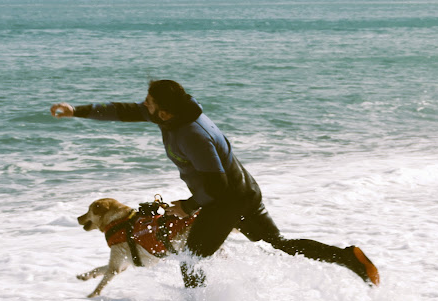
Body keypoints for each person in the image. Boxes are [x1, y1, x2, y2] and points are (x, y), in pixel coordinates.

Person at [51, 80, 379, 288]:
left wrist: (188, 206)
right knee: (276, 244)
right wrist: (76, 111)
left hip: (227, 199)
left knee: (192, 256)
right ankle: (349, 258)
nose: (144, 106)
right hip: (242, 190)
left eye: (149, 103)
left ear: (164, 112)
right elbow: (124, 111)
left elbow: (217, 187)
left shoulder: (193, 135)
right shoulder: (173, 115)